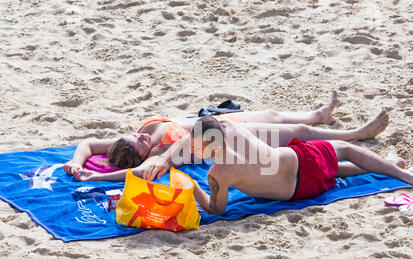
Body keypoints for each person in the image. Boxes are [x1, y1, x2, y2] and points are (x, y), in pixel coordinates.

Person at [69, 91, 389, 182]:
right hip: (225, 138)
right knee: (299, 136)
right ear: (141, 155)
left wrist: (75, 163)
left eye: (133, 136)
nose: (139, 138)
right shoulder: (154, 157)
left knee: (275, 116)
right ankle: (356, 134)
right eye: (138, 145)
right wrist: (91, 180)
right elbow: (133, 174)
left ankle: (320, 115)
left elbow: (87, 145)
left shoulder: (134, 136)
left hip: (219, 122)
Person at [189, 117, 413, 215]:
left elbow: (216, 210)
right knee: (344, 151)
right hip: (302, 161)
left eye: (195, 144)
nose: (192, 148)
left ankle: (405, 174)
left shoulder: (218, 173)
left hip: (300, 190)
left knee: (341, 159)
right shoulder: (230, 126)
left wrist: (193, 189)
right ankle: (392, 167)